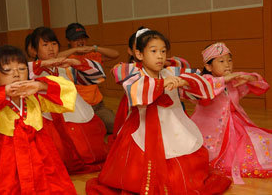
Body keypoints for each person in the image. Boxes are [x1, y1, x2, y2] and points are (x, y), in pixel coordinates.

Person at [86, 29, 231, 194]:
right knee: (137, 169)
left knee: (181, 162)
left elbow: (199, 80)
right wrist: (162, 84)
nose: (160, 56)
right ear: (139, 54)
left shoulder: (170, 71)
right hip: (143, 127)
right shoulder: (132, 72)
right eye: (153, 51)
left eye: (163, 51)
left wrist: (182, 81)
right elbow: (136, 90)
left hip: (173, 124)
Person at [0, 45, 77, 194]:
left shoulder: (35, 94)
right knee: (8, 187)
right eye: (7, 70)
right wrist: (4, 93)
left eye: (22, 69)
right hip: (5, 154)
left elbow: (67, 90)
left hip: (39, 149)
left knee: (47, 184)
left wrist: (40, 85)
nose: (16, 74)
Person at [29, 26, 109, 174]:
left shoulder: (64, 67)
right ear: (34, 50)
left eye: (53, 44)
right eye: (45, 45)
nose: (51, 49)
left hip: (75, 113)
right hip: (50, 120)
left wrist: (76, 63)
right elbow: (23, 69)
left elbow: (98, 77)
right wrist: (43, 64)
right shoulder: (31, 71)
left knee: (91, 149)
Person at [190, 42, 272, 184]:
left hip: (236, 124)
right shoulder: (205, 81)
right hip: (212, 129)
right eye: (221, 61)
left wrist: (249, 78)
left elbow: (261, 84)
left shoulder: (233, 80)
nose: (227, 65)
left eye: (229, 60)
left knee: (260, 145)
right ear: (208, 67)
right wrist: (227, 78)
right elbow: (205, 90)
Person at [64, 22, 119, 133]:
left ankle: (97, 123)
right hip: (78, 108)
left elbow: (115, 54)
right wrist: (74, 50)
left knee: (114, 125)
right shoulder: (66, 58)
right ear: (69, 41)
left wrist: (95, 48)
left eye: (83, 38)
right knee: (83, 134)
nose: (81, 42)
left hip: (97, 106)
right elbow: (54, 58)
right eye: (76, 39)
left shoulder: (92, 56)